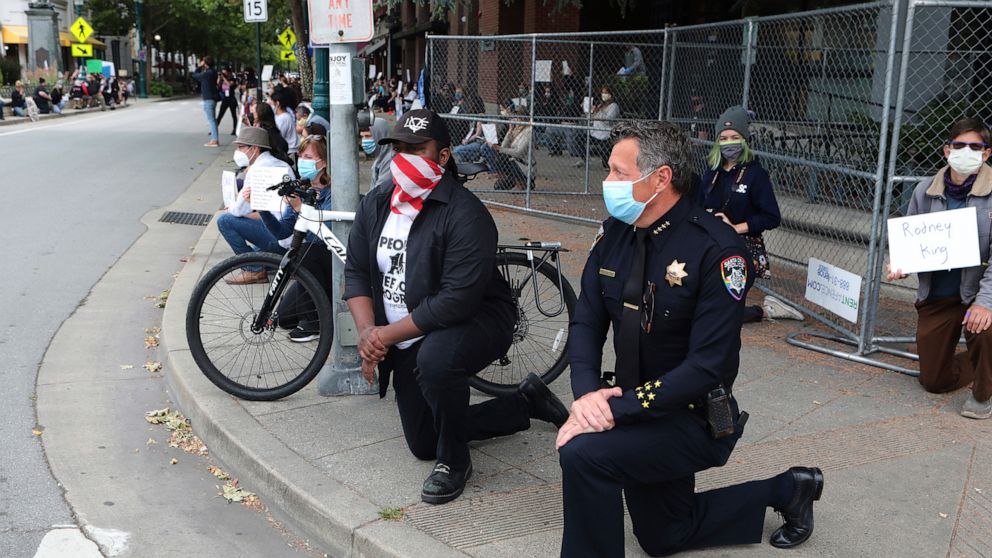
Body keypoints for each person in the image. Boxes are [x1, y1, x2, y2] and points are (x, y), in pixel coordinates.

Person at [559, 120, 824, 558]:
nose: (607, 182)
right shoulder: (615, 235)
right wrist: (588, 397)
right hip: (632, 408)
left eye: (618, 173)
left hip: (692, 416)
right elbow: (586, 322)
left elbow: (707, 367)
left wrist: (614, 410)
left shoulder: (718, 251)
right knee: (666, 536)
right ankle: (789, 488)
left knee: (585, 455)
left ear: (660, 178)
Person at [344, 109, 569, 506]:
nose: (405, 157)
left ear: (443, 156)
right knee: (422, 441)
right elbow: (358, 273)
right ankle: (524, 402)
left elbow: (453, 302)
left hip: (478, 319)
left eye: (417, 149)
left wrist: (384, 335)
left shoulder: (466, 214)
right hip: (405, 333)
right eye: (398, 148)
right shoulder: (377, 203)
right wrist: (367, 334)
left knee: (436, 360)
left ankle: (455, 462)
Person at [887, 117, 992, 420]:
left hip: (978, 292)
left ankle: (983, 394)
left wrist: (985, 304)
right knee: (933, 381)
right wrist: (901, 264)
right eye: (959, 145)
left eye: (975, 147)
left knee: (984, 329)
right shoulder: (924, 190)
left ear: (986, 154)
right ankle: (982, 364)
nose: (966, 151)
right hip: (940, 295)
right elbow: (913, 242)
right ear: (947, 150)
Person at [697, 106, 800, 323]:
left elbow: (771, 217)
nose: (729, 142)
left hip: (741, 247)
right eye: (723, 137)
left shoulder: (756, 175)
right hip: (709, 243)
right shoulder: (711, 172)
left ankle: (765, 311)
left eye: (735, 137)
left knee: (719, 314)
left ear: (745, 139)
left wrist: (735, 227)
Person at [258, 134, 335, 341]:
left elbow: (324, 236)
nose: (303, 162)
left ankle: (314, 324)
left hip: (330, 264)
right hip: (311, 265)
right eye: (301, 156)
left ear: (324, 162)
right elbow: (282, 232)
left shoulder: (333, 193)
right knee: (285, 318)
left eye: (309, 157)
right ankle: (320, 311)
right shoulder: (305, 189)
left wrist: (301, 207)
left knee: (305, 250)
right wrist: (263, 209)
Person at [216, 127, 295, 284]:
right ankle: (267, 263)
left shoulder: (257, 169)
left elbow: (239, 210)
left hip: (281, 237)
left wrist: (231, 206)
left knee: (225, 220)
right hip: (290, 236)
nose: (238, 151)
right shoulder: (282, 165)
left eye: (241, 147)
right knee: (254, 246)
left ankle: (254, 270)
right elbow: (269, 211)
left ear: (255, 148)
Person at [570, 85, 620, 169]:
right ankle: (585, 159)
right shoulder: (600, 105)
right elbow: (591, 118)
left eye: (606, 93)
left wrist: (600, 111)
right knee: (577, 138)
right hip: (595, 133)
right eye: (602, 93)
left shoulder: (614, 106)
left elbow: (609, 119)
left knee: (605, 161)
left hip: (606, 135)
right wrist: (588, 110)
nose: (603, 95)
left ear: (611, 94)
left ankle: (608, 163)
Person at [193, 56, 220, 147]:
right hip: (213, 98)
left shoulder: (207, 73)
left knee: (211, 120)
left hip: (208, 99)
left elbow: (195, 75)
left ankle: (214, 140)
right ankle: (215, 138)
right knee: (213, 120)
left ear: (205, 63)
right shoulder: (213, 72)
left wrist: (199, 66)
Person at [365, 118, 395, 191]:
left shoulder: (390, 160)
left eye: (368, 136)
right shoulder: (381, 158)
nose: (365, 140)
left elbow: (378, 194)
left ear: (379, 135)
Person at [270, 88, 299, 160]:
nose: (271, 106)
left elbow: (278, 137)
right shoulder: (280, 116)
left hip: (289, 151)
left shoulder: (283, 118)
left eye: (272, 103)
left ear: (277, 103)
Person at [216, 69, 239, 136]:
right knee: (220, 115)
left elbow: (229, 84)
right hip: (225, 100)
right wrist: (219, 77)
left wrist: (223, 78)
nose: (223, 74)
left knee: (234, 115)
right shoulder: (222, 80)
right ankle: (214, 129)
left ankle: (235, 130)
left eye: (224, 72)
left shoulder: (232, 79)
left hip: (231, 99)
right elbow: (218, 84)